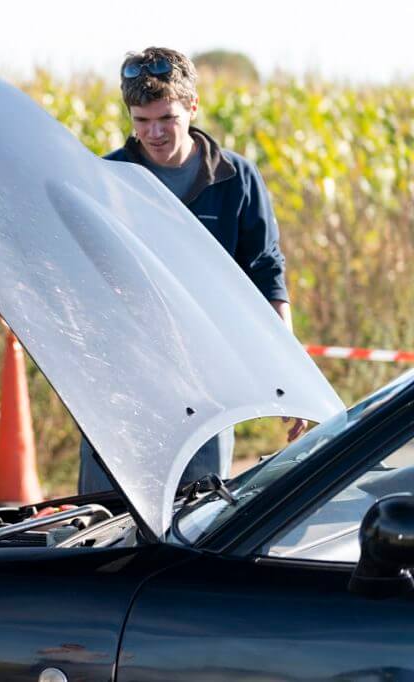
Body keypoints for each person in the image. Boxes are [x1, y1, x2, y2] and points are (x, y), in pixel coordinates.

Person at [78, 46, 303, 494]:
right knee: (108, 512)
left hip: (207, 382)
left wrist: (289, 375)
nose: (154, 133)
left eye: (167, 118)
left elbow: (266, 274)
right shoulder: (106, 177)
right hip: (122, 379)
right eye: (142, 121)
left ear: (193, 106)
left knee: (200, 511)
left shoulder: (236, 179)